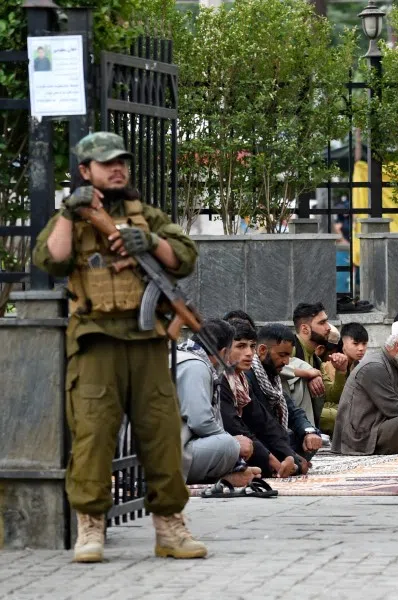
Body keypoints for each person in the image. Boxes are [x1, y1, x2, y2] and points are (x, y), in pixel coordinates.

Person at [33, 131, 205, 562]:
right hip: (96, 340)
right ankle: (90, 528)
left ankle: (170, 528)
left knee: (162, 433)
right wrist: (72, 215)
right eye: (106, 163)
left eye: (121, 162)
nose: (117, 169)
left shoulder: (143, 214)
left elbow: (184, 258)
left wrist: (149, 242)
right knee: (93, 434)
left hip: (147, 341)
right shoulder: (72, 217)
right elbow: (50, 260)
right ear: (85, 171)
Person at [175, 319, 259, 487]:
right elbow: (201, 421)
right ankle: (227, 476)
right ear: (222, 352)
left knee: (230, 444)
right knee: (229, 446)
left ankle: (228, 473)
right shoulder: (195, 366)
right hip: (165, 452)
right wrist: (234, 444)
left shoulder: (182, 356)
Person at [219, 319, 302, 479]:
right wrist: (272, 461)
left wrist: (290, 457)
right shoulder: (221, 379)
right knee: (244, 446)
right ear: (224, 350)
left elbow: (263, 421)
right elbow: (234, 427)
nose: (249, 353)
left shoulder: (240, 379)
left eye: (251, 346)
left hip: (247, 441)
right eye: (241, 346)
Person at [332, 319, 398, 455]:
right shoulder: (374, 367)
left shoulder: (397, 364)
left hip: (378, 428)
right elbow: (394, 409)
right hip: (361, 437)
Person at [246, 324, 322, 471]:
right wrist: (290, 454)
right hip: (260, 441)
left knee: (312, 437)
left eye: (289, 356)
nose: (287, 362)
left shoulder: (272, 377)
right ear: (262, 350)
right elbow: (262, 426)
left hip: (277, 439)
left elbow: (293, 411)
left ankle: (290, 461)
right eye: (282, 355)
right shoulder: (247, 377)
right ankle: (287, 462)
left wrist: (309, 433)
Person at [291, 302, 349, 433]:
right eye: (322, 323)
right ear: (305, 329)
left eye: (327, 322)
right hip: (291, 418)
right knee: (348, 417)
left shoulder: (316, 359)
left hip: (310, 415)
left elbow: (332, 397)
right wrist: (307, 374)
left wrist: (341, 371)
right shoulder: (290, 348)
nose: (328, 328)